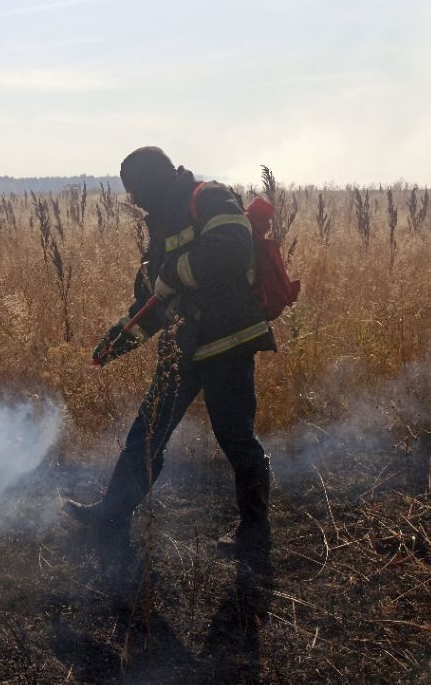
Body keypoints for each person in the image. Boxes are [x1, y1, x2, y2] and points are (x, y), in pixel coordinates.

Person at [66, 147, 277, 559]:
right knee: (146, 433)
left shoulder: (211, 197)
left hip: (226, 345)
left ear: (154, 180)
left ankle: (256, 530)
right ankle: (111, 516)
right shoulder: (161, 227)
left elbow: (233, 248)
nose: (134, 200)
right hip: (183, 347)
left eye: (136, 190)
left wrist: (172, 274)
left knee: (236, 440)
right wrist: (117, 341)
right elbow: (153, 303)